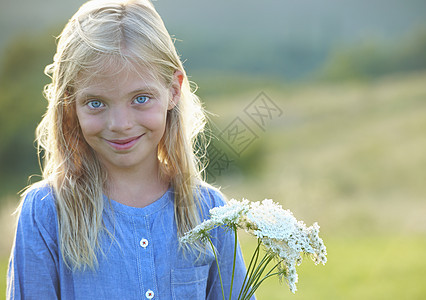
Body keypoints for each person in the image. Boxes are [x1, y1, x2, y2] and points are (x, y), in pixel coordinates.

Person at [7, 0, 253, 299]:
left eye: (140, 98)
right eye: (96, 103)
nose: (120, 124)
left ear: (173, 90)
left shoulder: (210, 212)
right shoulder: (47, 212)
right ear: (70, 105)